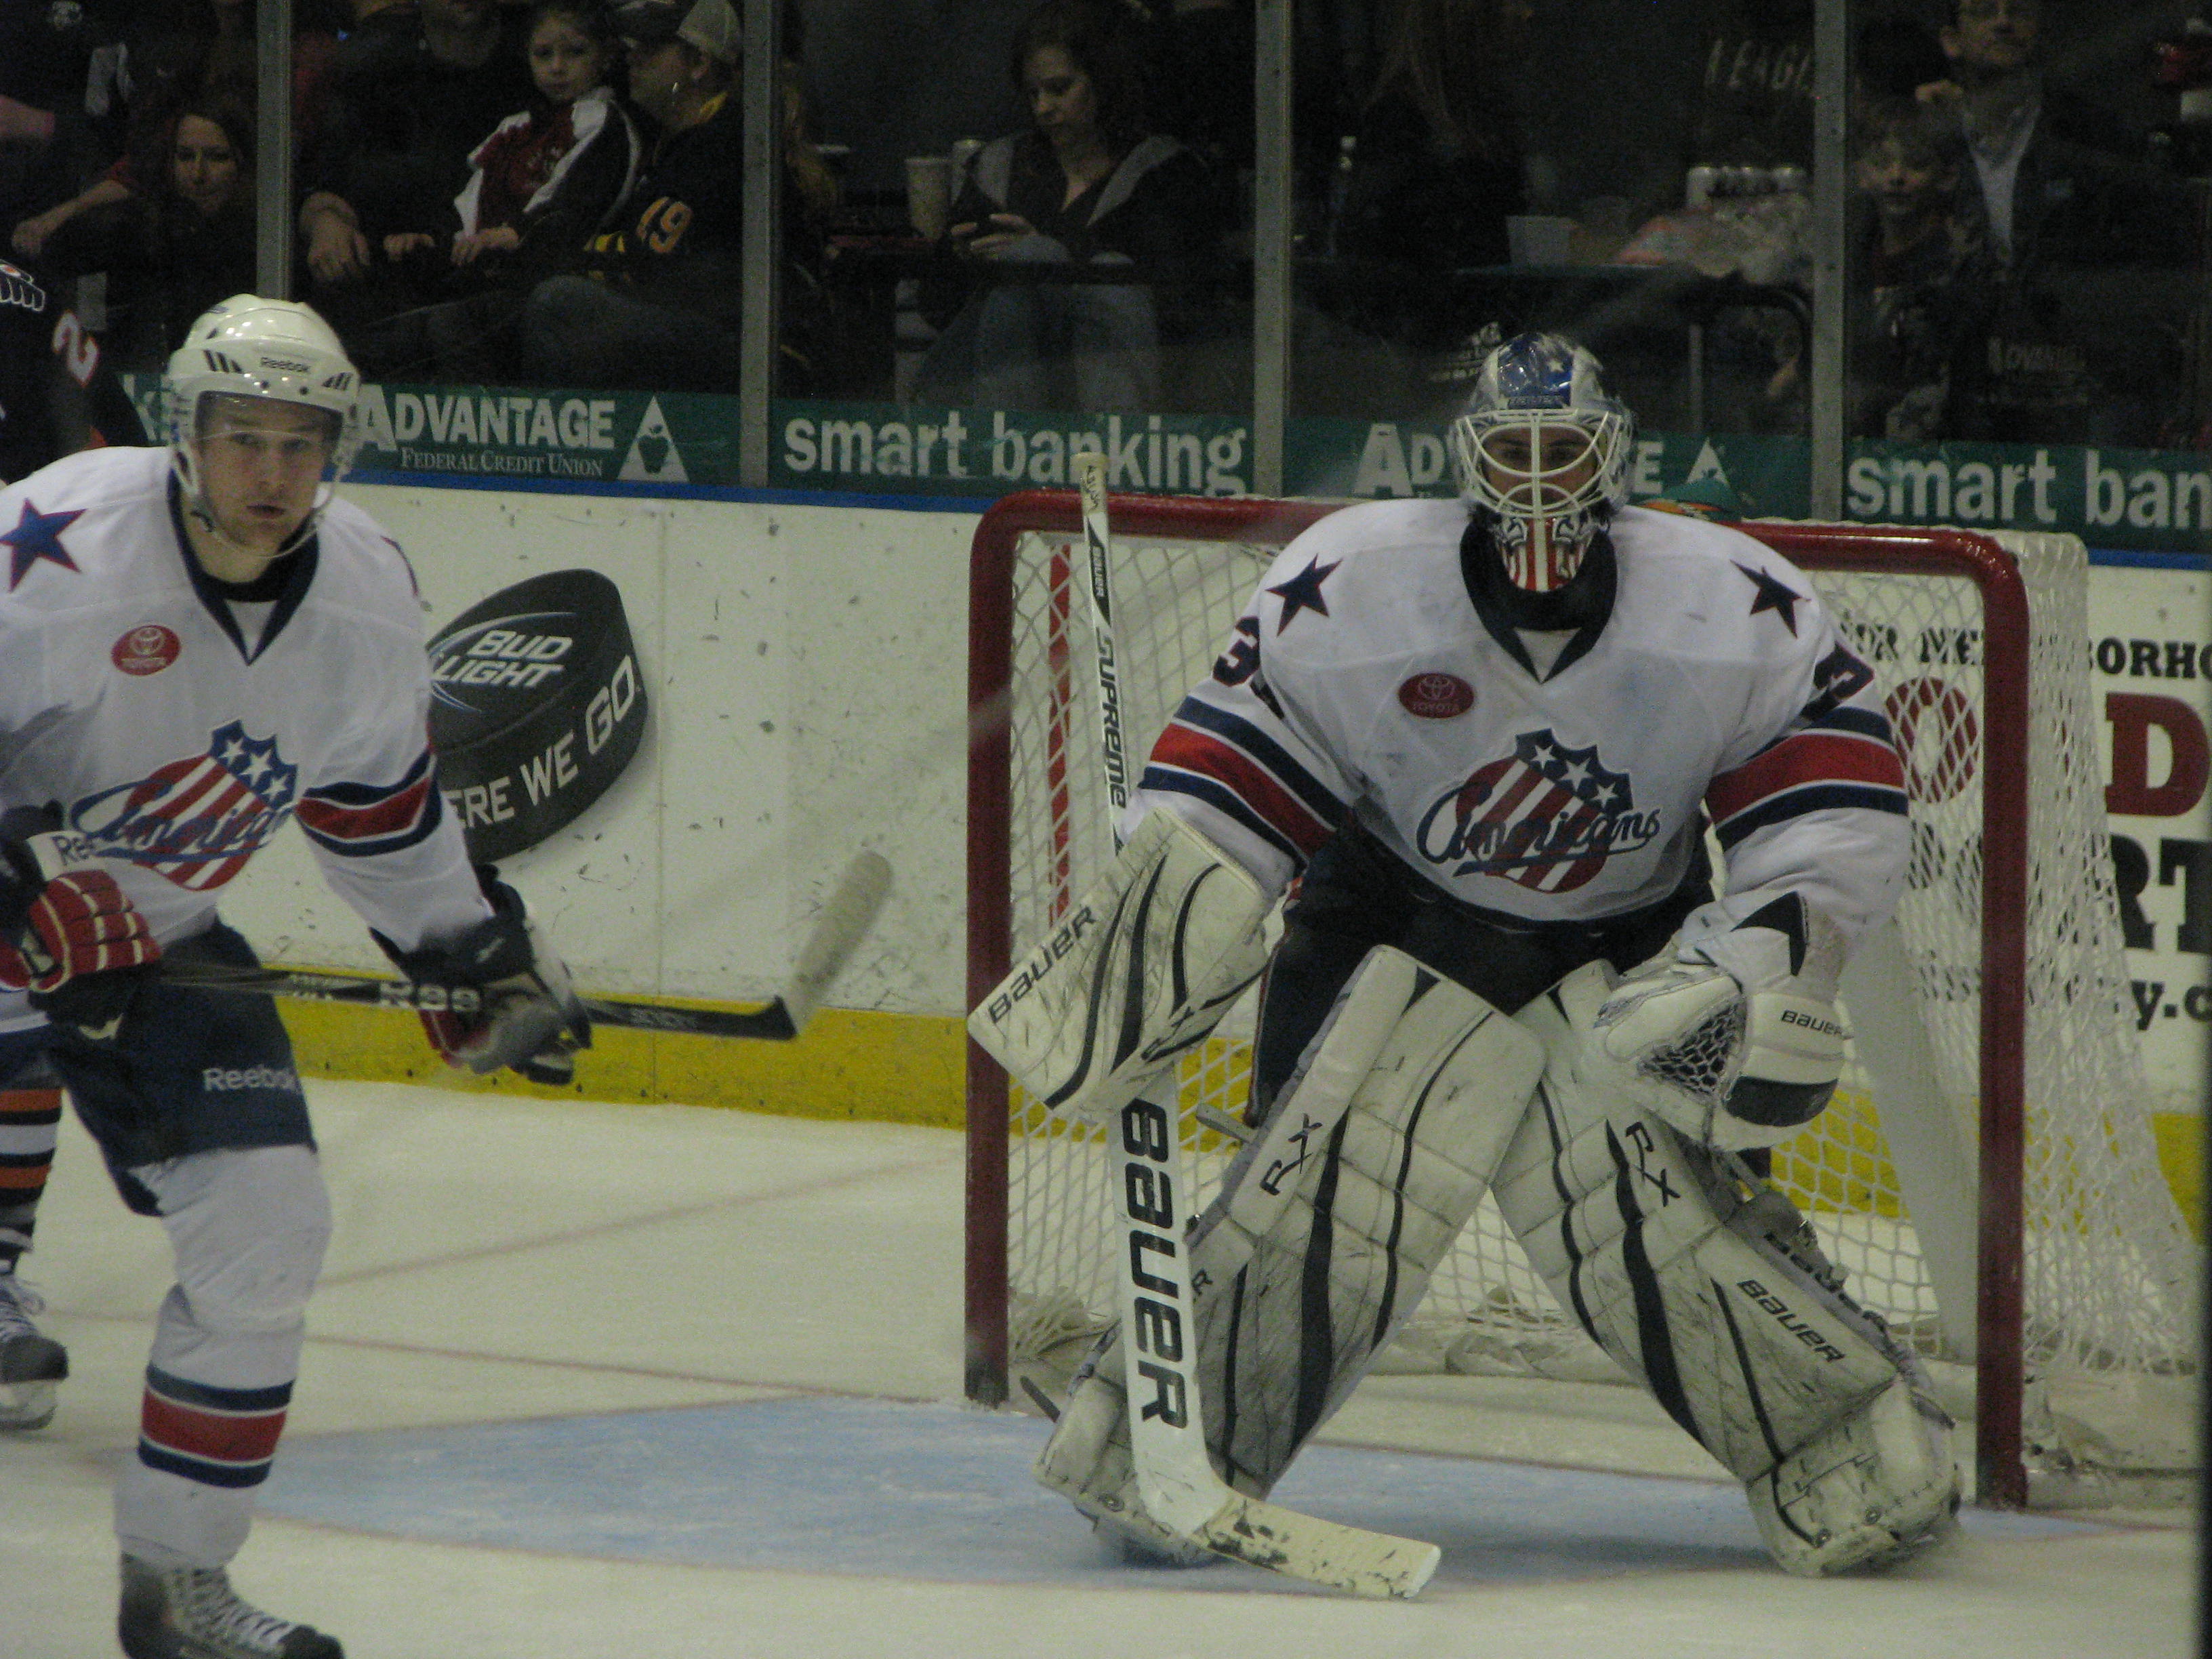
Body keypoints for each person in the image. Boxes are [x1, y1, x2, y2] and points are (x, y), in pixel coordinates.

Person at [970, 333, 1961, 1580]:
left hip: (1625, 934)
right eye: (1512, 450)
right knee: (1315, 1194)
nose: (1538, 480)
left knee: (1664, 1223)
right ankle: (1171, 1440)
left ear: (1614, 460)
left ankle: (1847, 1435)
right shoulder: (1352, 585)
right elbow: (1231, 790)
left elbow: (1827, 811)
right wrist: (1162, 918)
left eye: (1563, 451)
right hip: (1389, 912)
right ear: (1464, 464)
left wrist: (1760, 963)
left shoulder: (1727, 601)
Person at [0, 293, 589, 1658]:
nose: (270, 475)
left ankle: (179, 1589)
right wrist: (24, 895)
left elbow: (379, 817)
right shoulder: (60, 546)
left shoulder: (369, 596)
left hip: (148, 944)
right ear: (184, 435)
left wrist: (468, 951)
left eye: (300, 444)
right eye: (242, 439)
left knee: (269, 1231)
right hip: (34, 917)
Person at [914, 0, 1221, 411]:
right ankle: (1009, 454)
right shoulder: (998, 168)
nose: (1043, 108)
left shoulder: (1161, 175)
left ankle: (1106, 463)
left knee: (1099, 269)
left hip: (1124, 390)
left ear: (1103, 81)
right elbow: (935, 309)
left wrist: (1057, 265)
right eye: (1033, 93)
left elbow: (1187, 315)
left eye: (1059, 89)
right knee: (1030, 261)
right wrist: (962, 261)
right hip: (995, 382)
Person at [519, 0, 747, 390]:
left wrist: (555, 255)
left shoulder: (728, 143)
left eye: (652, 48)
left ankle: (560, 452)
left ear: (699, 64)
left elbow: (649, 268)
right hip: (699, 330)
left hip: (742, 349)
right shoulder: (675, 142)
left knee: (560, 303)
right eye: (631, 45)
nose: (632, 57)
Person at [30, 94, 261, 374]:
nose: (198, 174)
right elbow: (56, 260)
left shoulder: (270, 239)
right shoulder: (144, 229)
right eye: (185, 156)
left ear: (246, 162)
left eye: (218, 158)